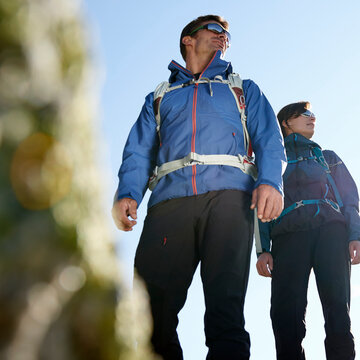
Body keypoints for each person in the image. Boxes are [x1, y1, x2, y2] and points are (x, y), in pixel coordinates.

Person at [112, 15, 286, 360]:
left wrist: (270, 182)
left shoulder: (242, 88)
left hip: (229, 201)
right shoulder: (160, 97)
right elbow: (138, 151)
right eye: (216, 30)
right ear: (188, 40)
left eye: (228, 34)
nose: (224, 37)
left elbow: (269, 137)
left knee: (226, 309)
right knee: (149, 311)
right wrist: (127, 194)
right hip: (169, 204)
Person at [256, 101, 360, 360]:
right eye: (304, 114)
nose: (312, 117)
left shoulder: (329, 158)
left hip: (331, 233)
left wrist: (355, 236)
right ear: (286, 122)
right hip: (288, 236)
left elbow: (350, 199)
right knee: (286, 314)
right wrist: (263, 249)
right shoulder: (273, 161)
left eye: (313, 114)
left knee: (338, 309)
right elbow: (262, 206)